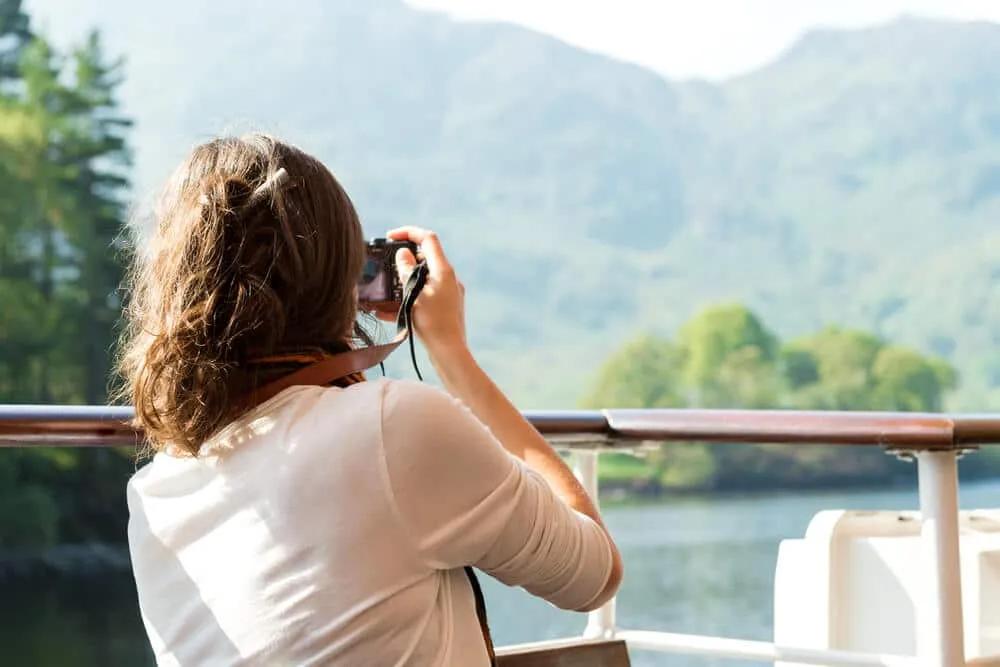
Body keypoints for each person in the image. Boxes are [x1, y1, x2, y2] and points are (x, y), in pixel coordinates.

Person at [119, 133, 623, 666]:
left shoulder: (152, 495)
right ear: (339, 282)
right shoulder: (392, 426)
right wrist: (452, 355)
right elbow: (592, 577)